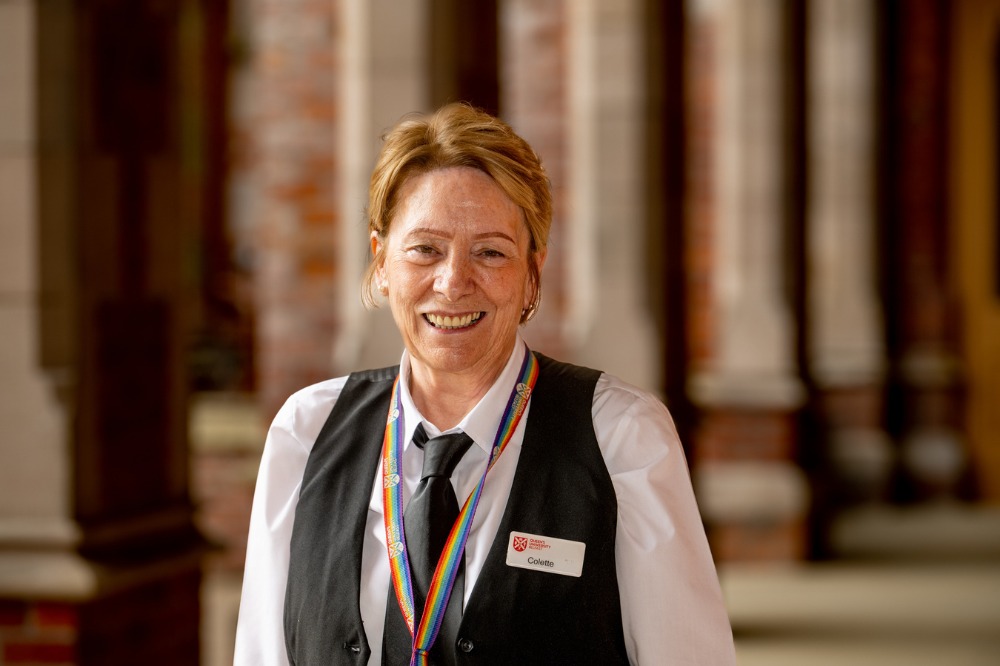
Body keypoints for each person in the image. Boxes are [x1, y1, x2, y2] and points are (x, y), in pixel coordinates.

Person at [235, 103, 736, 665]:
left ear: (531, 274)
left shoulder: (620, 435)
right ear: (381, 261)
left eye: (490, 252)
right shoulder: (307, 432)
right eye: (425, 249)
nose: (453, 283)